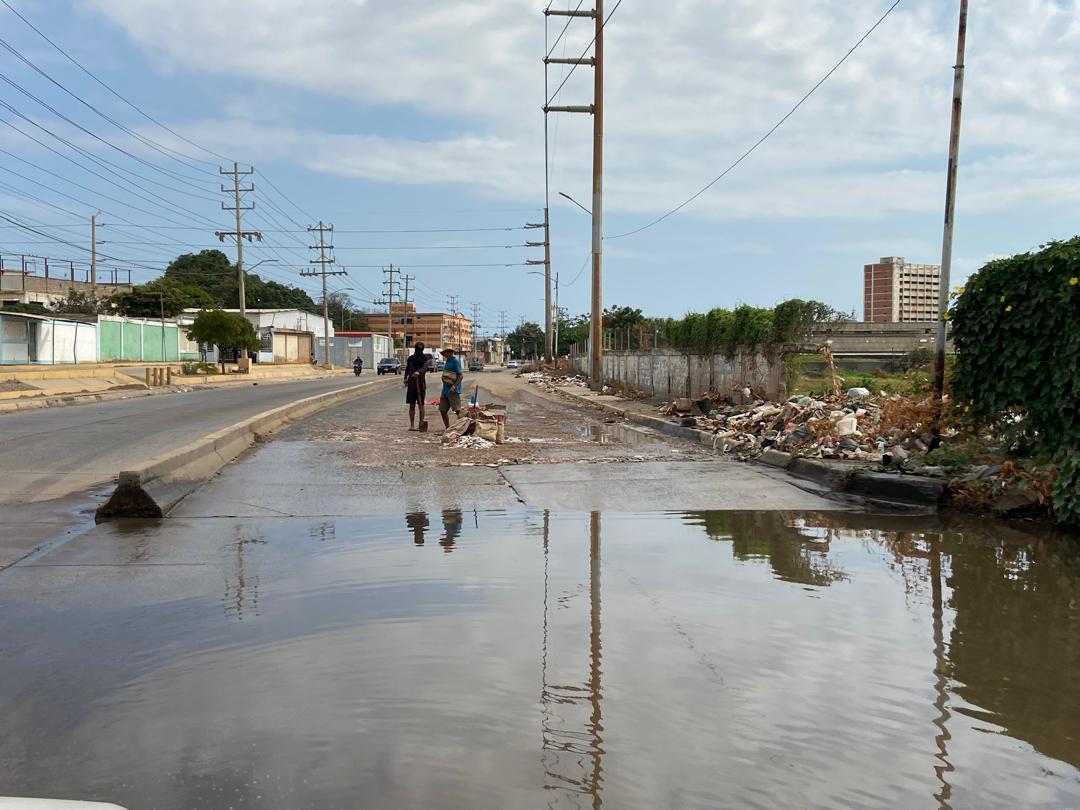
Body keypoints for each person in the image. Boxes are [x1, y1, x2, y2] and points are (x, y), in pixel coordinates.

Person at [404, 342, 429, 431]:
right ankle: (412, 425)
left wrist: (418, 372)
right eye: (417, 349)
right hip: (411, 384)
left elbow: (425, 368)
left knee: (421, 405)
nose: (418, 351)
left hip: (421, 384)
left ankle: (421, 423)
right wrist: (405, 378)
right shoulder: (410, 359)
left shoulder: (424, 359)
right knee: (411, 405)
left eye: (420, 349)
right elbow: (407, 369)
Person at [438, 347, 464, 428]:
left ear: (450, 353)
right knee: (442, 410)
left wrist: (454, 386)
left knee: (457, 410)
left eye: (447, 353)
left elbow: (460, 375)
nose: (446, 355)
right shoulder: (448, 361)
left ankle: (464, 426)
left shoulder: (455, 361)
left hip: (453, 390)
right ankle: (447, 427)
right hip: (445, 390)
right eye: (445, 353)